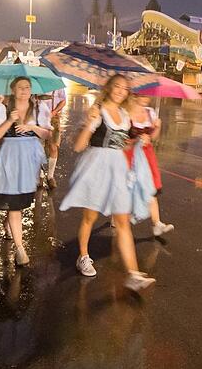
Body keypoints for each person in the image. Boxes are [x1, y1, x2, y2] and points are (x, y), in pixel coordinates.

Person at [59, 74, 156, 292]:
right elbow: (78, 146)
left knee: (123, 222)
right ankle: (83, 256)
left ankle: (133, 273)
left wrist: (138, 141)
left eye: (125, 88)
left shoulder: (125, 115)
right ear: (109, 88)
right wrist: (90, 123)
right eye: (117, 86)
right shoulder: (97, 111)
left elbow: (122, 145)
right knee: (90, 217)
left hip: (118, 169)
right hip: (96, 168)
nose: (121, 91)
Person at [0, 77, 50, 266]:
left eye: (27, 87)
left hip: (30, 159)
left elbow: (47, 134)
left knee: (20, 201)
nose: (24, 90)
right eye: (20, 87)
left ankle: (9, 224)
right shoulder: (3, 108)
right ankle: (20, 250)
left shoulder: (39, 108)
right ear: (13, 89)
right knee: (15, 203)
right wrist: (9, 120)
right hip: (9, 158)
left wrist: (31, 127)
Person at [126, 94, 175, 237]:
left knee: (150, 187)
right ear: (134, 94)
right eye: (143, 94)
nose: (146, 97)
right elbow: (121, 139)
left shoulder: (150, 112)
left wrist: (157, 127)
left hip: (147, 155)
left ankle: (157, 224)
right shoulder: (126, 113)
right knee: (129, 187)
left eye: (148, 95)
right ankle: (118, 217)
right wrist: (136, 140)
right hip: (130, 155)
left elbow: (153, 138)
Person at [36, 87, 68, 190]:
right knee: (38, 147)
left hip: (53, 119)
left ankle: (50, 176)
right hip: (38, 118)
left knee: (53, 147)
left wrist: (54, 112)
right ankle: (40, 174)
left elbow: (63, 101)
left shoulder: (57, 84)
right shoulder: (36, 83)